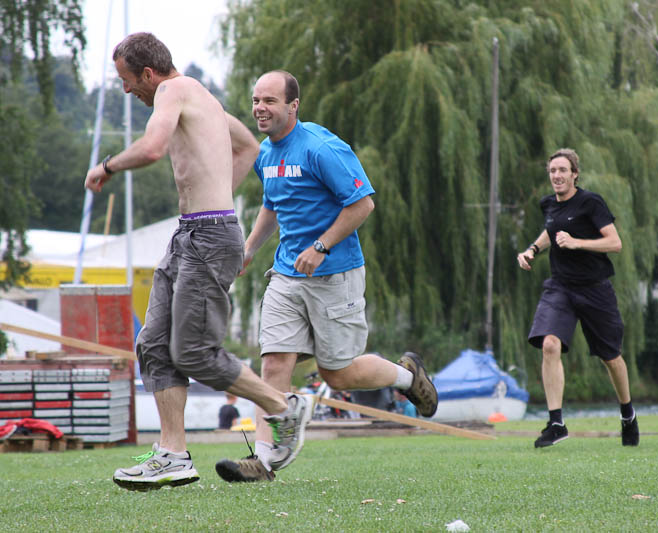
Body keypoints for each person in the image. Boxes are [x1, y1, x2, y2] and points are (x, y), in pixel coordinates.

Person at [84, 33, 313, 491]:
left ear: (148, 74)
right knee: (153, 343)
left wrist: (107, 167)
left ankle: (284, 406)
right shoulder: (201, 97)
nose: (128, 91)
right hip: (191, 233)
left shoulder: (173, 90)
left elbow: (151, 149)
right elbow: (248, 145)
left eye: (128, 82)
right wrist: (221, 195)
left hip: (209, 236)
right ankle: (172, 455)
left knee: (193, 352)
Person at [214, 70, 438, 482]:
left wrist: (321, 247)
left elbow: (362, 205)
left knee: (338, 372)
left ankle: (408, 376)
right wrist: (249, 250)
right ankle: (262, 461)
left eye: (270, 101)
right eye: (256, 101)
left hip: (335, 273)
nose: (260, 108)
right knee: (275, 361)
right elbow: (273, 204)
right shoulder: (266, 153)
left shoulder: (321, 148)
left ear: (293, 106)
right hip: (286, 273)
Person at [517, 148, 639, 448]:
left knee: (611, 358)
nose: (556, 175)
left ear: (574, 174)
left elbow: (615, 243)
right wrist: (532, 249)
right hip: (560, 287)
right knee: (548, 344)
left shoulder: (591, 202)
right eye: (552, 171)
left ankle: (627, 415)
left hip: (595, 289)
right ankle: (556, 423)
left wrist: (576, 243)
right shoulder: (549, 205)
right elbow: (550, 230)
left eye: (562, 170)